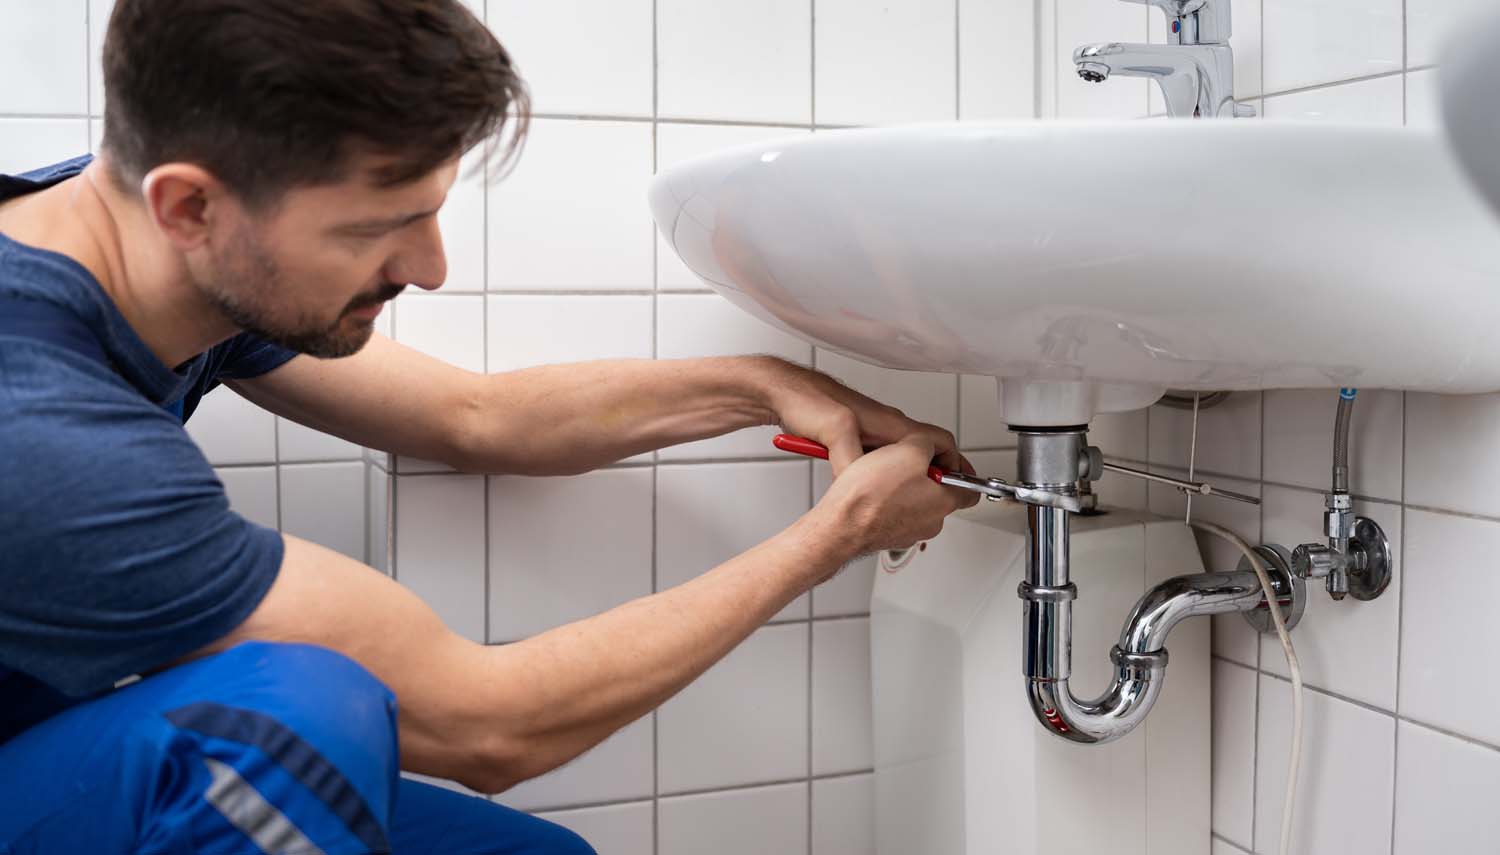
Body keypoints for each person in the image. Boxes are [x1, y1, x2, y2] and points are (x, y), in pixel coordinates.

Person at [0, 1, 978, 852]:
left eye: (428, 213)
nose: (429, 268)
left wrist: (761, 385)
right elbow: (489, 727)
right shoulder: (39, 430)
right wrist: (837, 534)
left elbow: (476, 417)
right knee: (293, 719)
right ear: (190, 208)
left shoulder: (135, 241)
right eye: (375, 228)